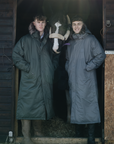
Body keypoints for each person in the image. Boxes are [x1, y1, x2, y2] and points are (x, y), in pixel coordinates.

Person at [12, 15, 59, 144]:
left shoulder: (50, 41)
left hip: (44, 79)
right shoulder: (25, 40)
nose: (41, 25)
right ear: (34, 23)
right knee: (27, 106)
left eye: (43, 22)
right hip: (30, 79)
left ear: (45, 24)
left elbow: (56, 56)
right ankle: (26, 137)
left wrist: (51, 68)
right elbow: (15, 55)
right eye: (38, 22)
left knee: (40, 104)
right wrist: (28, 68)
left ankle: (38, 133)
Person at [65, 16, 106, 144]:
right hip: (74, 79)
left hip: (87, 79)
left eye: (79, 24)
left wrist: (88, 67)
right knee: (76, 105)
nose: (76, 26)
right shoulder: (70, 42)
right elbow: (67, 59)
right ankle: (78, 134)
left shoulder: (91, 39)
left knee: (89, 105)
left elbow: (101, 55)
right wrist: (69, 68)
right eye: (74, 24)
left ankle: (91, 137)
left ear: (83, 25)